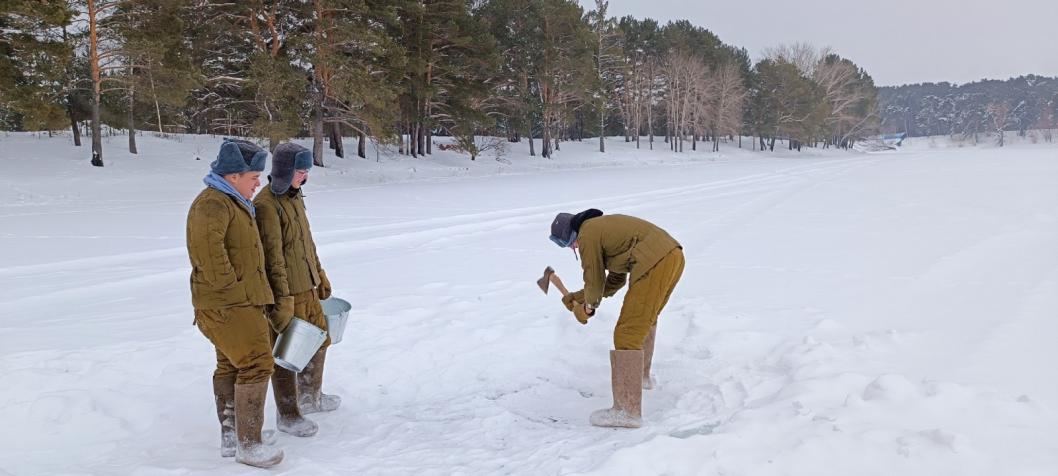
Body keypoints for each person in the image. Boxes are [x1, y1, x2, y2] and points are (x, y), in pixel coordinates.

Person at [186, 138, 283, 467]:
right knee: (258, 363)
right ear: (233, 176)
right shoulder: (212, 205)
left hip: (235, 302)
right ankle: (249, 444)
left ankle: (233, 435)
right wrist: (243, 296)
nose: (258, 184)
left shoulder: (231, 200)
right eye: (254, 177)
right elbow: (212, 263)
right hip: (228, 305)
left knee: (232, 364)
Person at [549, 209, 684, 428]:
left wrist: (588, 308)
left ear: (571, 234)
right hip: (671, 255)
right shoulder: (602, 229)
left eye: (568, 244)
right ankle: (640, 378)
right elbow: (613, 282)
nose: (573, 249)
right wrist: (576, 298)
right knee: (644, 319)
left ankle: (627, 411)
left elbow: (593, 279)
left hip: (655, 261)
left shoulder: (587, 234)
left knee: (627, 333)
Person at [253, 142, 340, 417]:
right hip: (288, 292)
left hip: (308, 287)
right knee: (288, 353)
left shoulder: (295, 197)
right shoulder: (266, 205)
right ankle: (289, 414)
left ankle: (310, 396)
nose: (305, 177)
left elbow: (307, 244)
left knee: (319, 341)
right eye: (301, 171)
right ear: (285, 170)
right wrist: (282, 298)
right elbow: (273, 258)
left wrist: (320, 275)